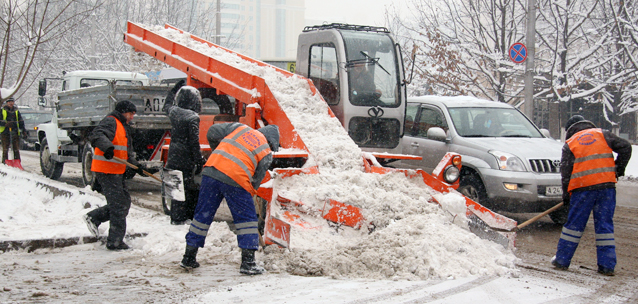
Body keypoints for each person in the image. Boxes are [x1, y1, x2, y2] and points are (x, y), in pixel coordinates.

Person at [180, 122, 279, 275]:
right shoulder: (266, 152)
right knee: (247, 220)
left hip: (211, 171)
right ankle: (248, 263)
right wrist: (250, 193)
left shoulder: (240, 128)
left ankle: (188, 257)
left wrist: (218, 154)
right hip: (236, 179)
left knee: (202, 216)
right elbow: (256, 180)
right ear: (271, 141)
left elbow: (212, 131)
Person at [551, 115, 632, 276]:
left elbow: (566, 173)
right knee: (604, 227)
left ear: (570, 130)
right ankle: (607, 265)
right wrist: (618, 169)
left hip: (582, 190)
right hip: (606, 188)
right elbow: (626, 147)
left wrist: (567, 195)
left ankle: (562, 260)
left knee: (574, 226)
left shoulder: (570, 143)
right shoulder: (603, 134)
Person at [83, 100, 151, 250]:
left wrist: (139, 168)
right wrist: (107, 147)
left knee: (124, 202)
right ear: (123, 112)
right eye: (131, 113)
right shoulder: (110, 121)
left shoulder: (123, 127)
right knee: (118, 205)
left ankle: (94, 217)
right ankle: (115, 241)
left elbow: (125, 154)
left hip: (116, 171)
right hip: (106, 170)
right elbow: (96, 135)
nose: (132, 117)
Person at [162, 80, 205, 225]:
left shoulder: (174, 112)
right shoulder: (193, 117)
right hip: (186, 159)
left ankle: (176, 218)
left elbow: (166, 105)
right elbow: (194, 142)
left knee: (175, 190)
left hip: (173, 156)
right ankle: (186, 218)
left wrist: (174, 89)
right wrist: (199, 160)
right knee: (189, 190)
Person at [0, 97, 27, 164]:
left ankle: (17, 162)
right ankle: (4, 162)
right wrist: (5, 124)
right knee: (5, 148)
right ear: (6, 103)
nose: (11, 103)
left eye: (12, 102)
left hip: (15, 131)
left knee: (16, 148)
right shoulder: (2, 110)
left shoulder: (16, 111)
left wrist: (23, 130)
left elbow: (20, 121)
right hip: (5, 132)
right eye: (9, 102)